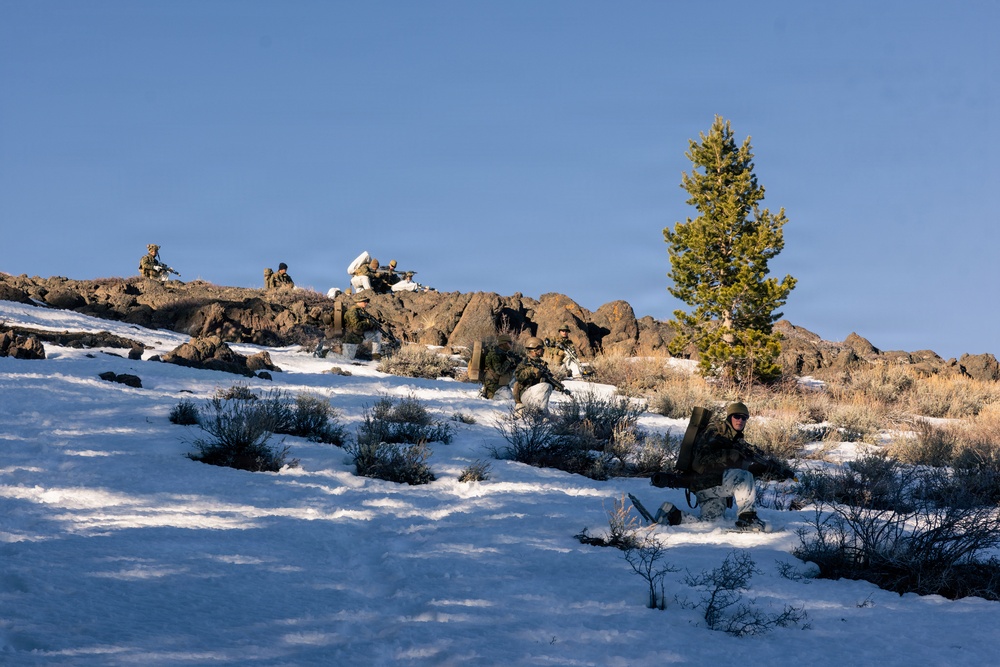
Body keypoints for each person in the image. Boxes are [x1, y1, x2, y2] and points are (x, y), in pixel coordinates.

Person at [655, 401, 768, 532]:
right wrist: (729, 453)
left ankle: (672, 514)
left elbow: (736, 470)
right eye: (736, 416)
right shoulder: (715, 431)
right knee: (744, 477)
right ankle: (748, 519)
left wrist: (763, 469)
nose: (740, 420)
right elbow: (702, 458)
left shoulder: (737, 441)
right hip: (706, 481)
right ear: (729, 417)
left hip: (712, 488)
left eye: (744, 418)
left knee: (711, 523)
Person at [514, 337, 571, 415]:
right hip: (525, 395)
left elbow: (549, 378)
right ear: (535, 349)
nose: (543, 350)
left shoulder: (542, 364)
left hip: (536, 397)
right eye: (541, 348)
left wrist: (558, 386)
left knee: (548, 386)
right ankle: (539, 413)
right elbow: (518, 377)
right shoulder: (524, 362)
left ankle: (540, 412)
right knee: (546, 386)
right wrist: (531, 370)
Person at [342, 294, 384, 360]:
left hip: (359, 335)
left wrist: (373, 325)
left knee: (377, 333)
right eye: (364, 301)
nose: (366, 303)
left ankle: (375, 355)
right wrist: (368, 323)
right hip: (350, 338)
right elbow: (357, 325)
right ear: (359, 302)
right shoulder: (352, 312)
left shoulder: (361, 311)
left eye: (367, 301)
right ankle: (326, 354)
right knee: (347, 359)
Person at [481, 334, 519, 399]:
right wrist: (509, 361)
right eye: (509, 343)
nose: (511, 345)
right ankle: (487, 394)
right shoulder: (495, 355)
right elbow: (499, 371)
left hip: (501, 384)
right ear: (503, 344)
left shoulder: (503, 353)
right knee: (508, 400)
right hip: (493, 385)